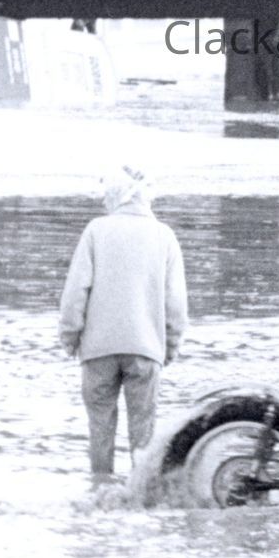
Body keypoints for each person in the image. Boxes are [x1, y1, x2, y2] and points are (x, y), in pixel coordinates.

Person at [59, 162, 188, 488]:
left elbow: (75, 293)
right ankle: (139, 497)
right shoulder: (164, 236)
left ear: (116, 196)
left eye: (106, 195)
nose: (103, 201)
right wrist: (170, 347)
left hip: (98, 350)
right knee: (143, 433)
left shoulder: (96, 231)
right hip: (146, 350)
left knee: (99, 428)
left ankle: (100, 491)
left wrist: (70, 337)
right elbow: (176, 304)